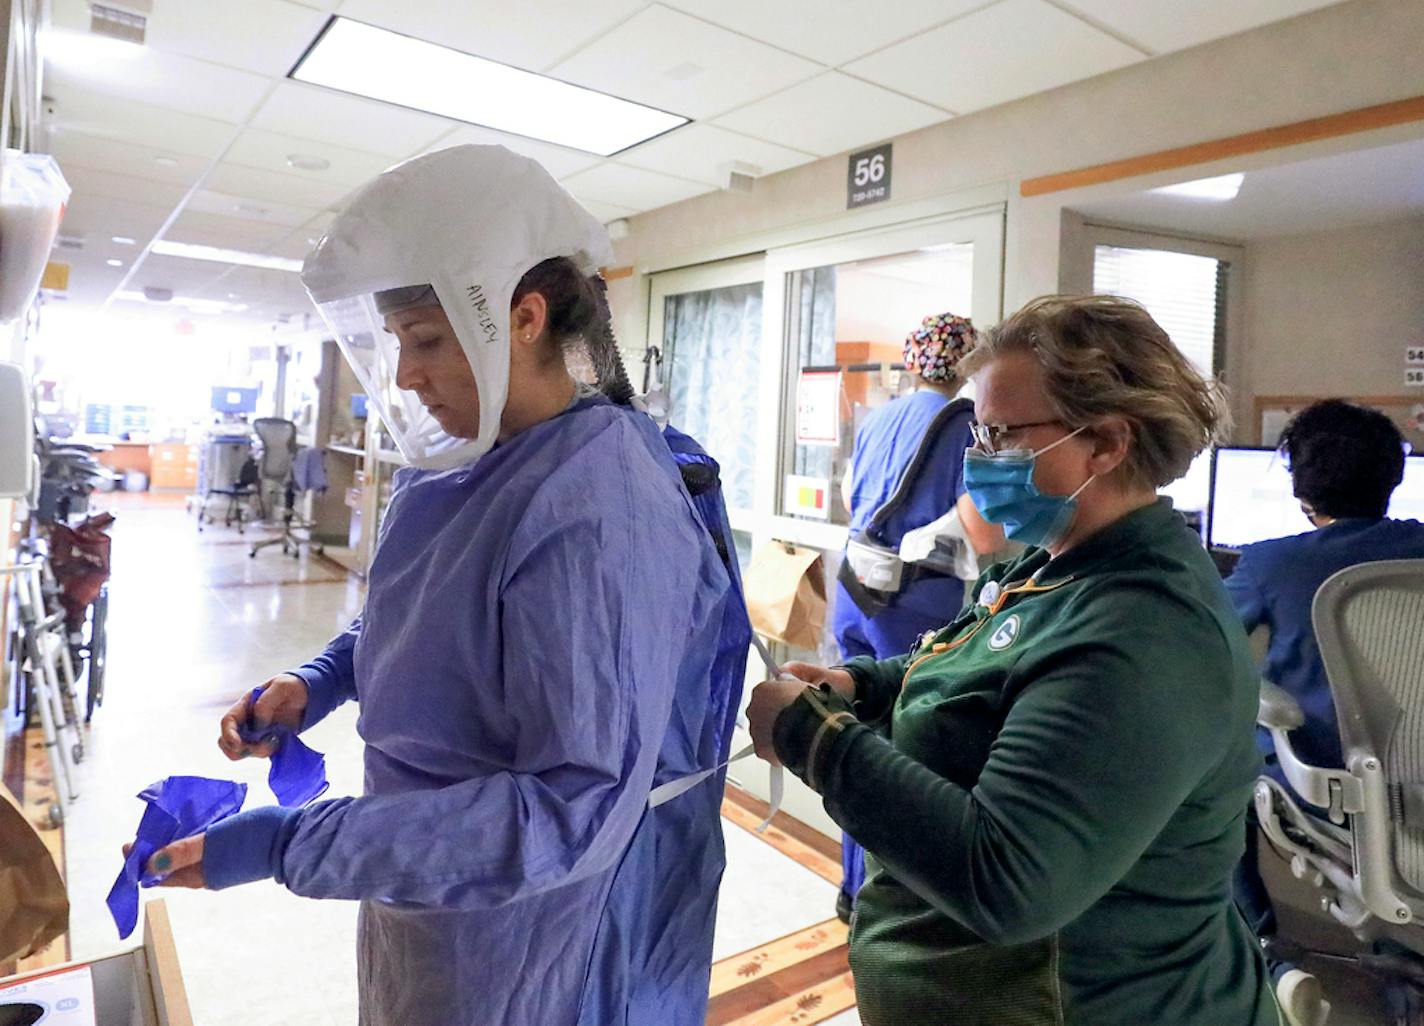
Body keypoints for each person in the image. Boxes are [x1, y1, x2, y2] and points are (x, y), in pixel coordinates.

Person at [136, 145, 742, 1026]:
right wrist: (321, 681)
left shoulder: (597, 505)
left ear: (522, 318)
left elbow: (570, 808)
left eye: (424, 341)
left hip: (528, 933)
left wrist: (289, 842)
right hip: (415, 869)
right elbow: (421, 617)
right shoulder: (459, 458)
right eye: (398, 345)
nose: (406, 376)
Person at [747, 295, 1276, 1025]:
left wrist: (816, 740)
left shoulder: (1145, 635)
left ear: (1108, 443)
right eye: (978, 432)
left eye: (1000, 435)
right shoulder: (1051, 562)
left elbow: (1008, 880)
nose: (977, 460)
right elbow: (958, 657)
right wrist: (857, 685)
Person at [1227, 399, 1424, 1026]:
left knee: (1210, 778)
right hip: (1418, 787)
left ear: (1299, 486)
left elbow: (1205, 647)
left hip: (1326, 789)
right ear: (1395, 477)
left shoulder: (1269, 561)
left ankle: (1262, 948)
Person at [830, 311, 1002, 921]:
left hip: (853, 591)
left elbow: (853, 500)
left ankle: (850, 885)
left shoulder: (878, 419)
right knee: (899, 752)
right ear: (968, 363)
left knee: (846, 731)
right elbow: (981, 529)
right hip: (915, 602)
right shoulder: (965, 426)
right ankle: (881, 896)